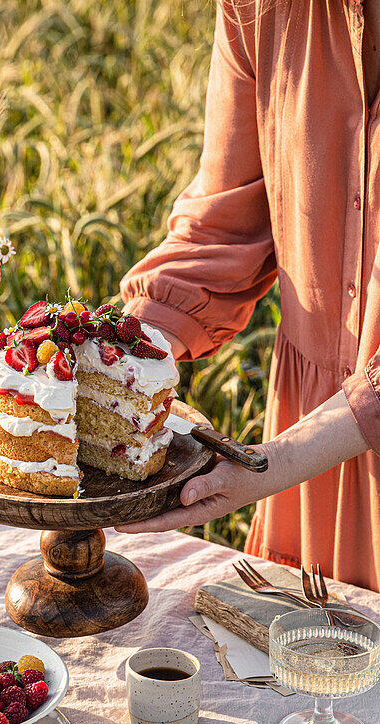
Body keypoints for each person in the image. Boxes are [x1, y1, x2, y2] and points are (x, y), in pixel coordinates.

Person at [116, 0, 380, 593]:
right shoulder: (261, 8)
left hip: (303, 453)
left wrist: (271, 465)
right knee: (296, 677)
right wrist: (110, 364)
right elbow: (227, 221)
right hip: (311, 465)